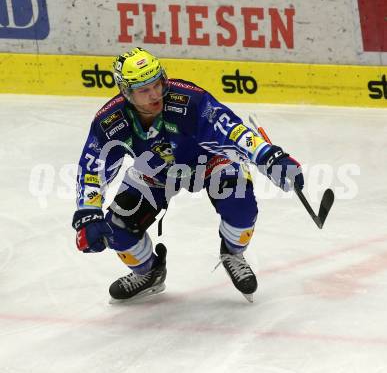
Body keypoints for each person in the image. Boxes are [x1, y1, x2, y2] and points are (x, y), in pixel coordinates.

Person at [72, 47, 304, 303]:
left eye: (157, 84)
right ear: (126, 93)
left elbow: (230, 129)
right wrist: (87, 211)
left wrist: (267, 155)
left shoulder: (189, 100)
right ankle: (149, 273)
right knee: (116, 226)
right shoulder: (111, 121)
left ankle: (232, 253)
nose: (155, 94)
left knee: (241, 208)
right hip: (155, 170)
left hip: (210, 161)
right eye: (144, 90)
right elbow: (93, 167)